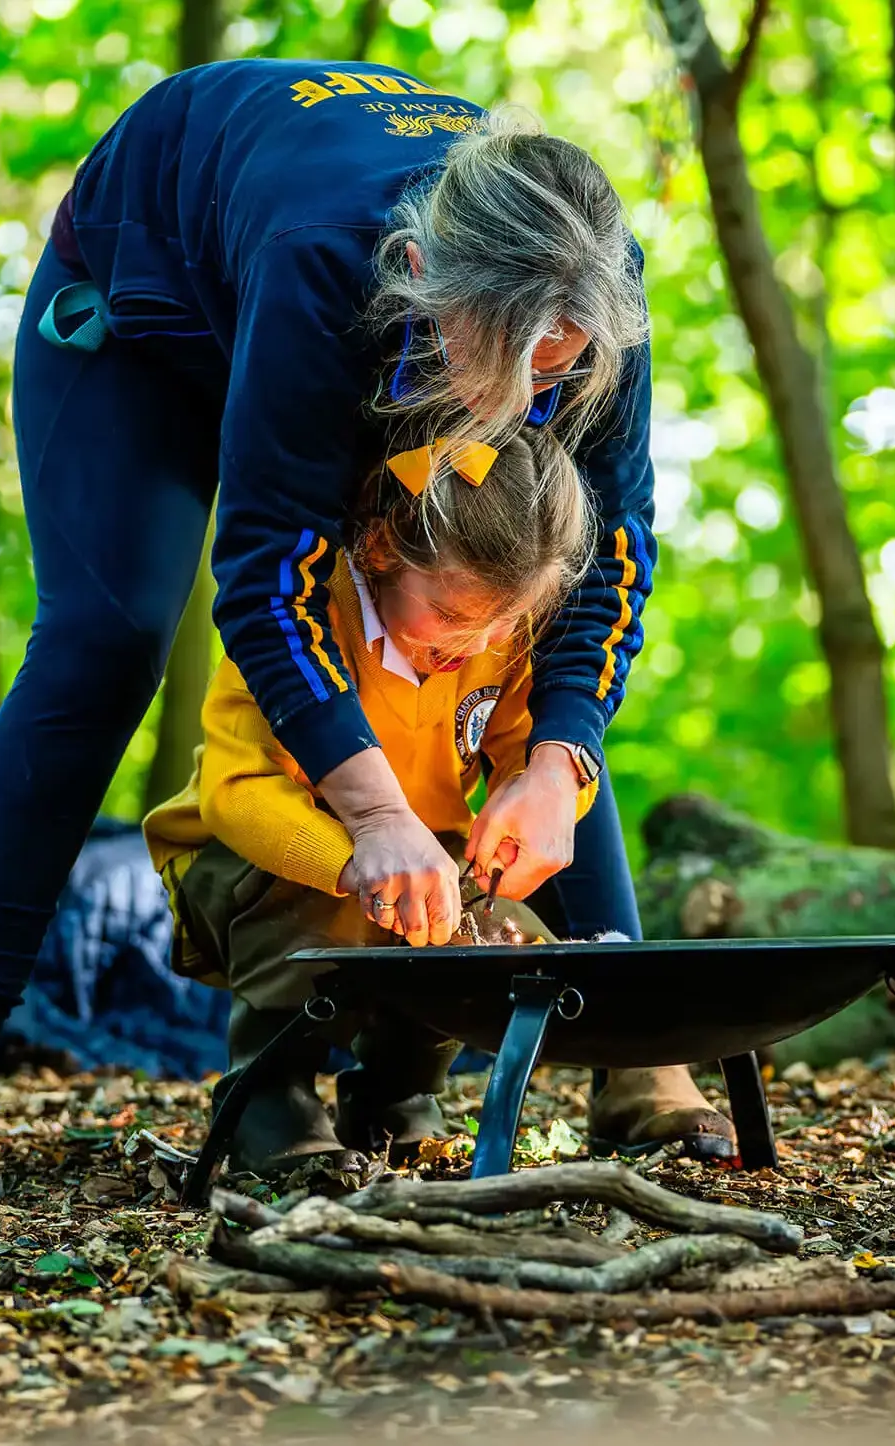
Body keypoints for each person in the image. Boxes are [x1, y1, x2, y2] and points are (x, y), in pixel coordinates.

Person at [0, 59, 727, 1203]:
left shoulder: (589, 284)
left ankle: (635, 1052)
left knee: (514, 631)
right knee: (107, 636)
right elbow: (264, 575)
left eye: (561, 360)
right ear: (426, 279)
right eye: (514, 353)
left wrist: (555, 764)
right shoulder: (324, 263)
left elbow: (608, 559)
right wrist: (374, 816)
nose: (539, 396)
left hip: (399, 323)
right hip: (153, 320)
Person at [149, 429, 646, 1171]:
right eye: (450, 615)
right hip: (250, 866)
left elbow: (518, 747)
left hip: (428, 858)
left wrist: (544, 796)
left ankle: (398, 1092)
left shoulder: (489, 641)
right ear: (382, 549)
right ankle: (268, 1089)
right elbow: (236, 793)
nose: (472, 642)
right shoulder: (300, 627)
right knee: (321, 905)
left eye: (502, 622)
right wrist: (352, 862)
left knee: (491, 936)